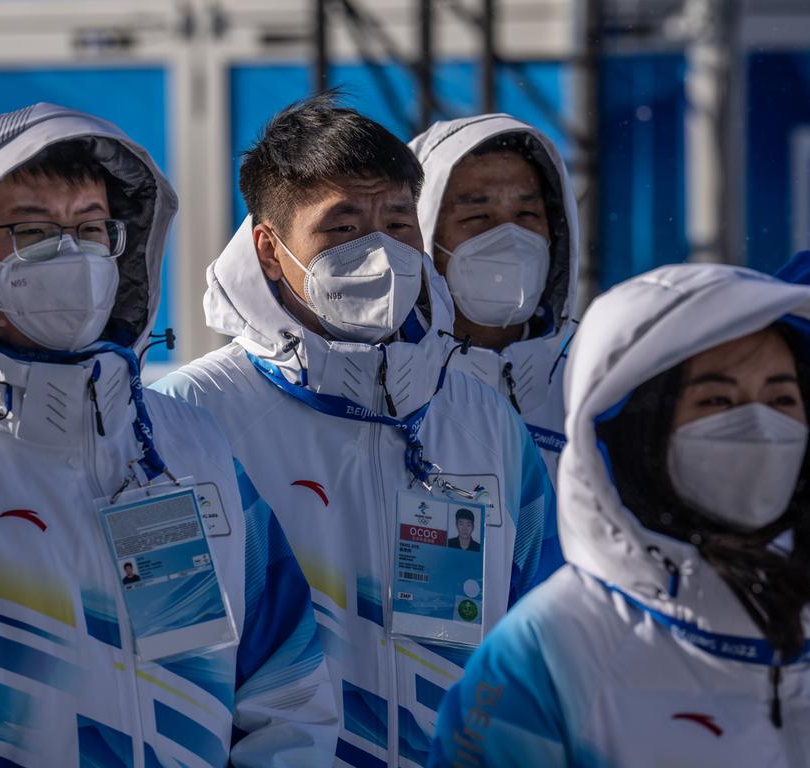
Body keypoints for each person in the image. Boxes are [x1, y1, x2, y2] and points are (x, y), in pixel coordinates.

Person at [0, 104, 337, 767]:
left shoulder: (186, 441)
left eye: (90, 228)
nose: (72, 254)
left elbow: (287, 678)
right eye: (32, 230)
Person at [154, 93, 561, 767]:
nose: (378, 252)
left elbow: (535, 641)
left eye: (397, 222)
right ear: (269, 247)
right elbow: (168, 663)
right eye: (341, 229)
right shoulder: (188, 420)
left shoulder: (480, 418)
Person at [429, 263, 810, 767]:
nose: (760, 425)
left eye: (781, 399)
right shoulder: (551, 651)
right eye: (717, 399)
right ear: (641, 428)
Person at [409, 115, 579, 479]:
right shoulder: (389, 388)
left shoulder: (588, 386)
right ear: (425, 236)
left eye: (527, 213)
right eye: (478, 216)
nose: (510, 237)